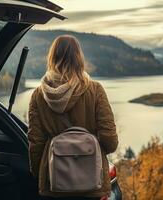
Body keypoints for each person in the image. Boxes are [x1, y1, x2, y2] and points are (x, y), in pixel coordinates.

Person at [27, 35, 118, 200]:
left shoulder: (38, 95)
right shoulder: (95, 90)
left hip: (54, 183)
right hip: (92, 184)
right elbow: (110, 141)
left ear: (52, 57)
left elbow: (36, 143)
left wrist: (39, 174)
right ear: (79, 57)